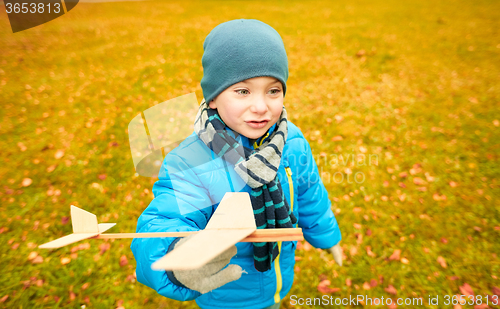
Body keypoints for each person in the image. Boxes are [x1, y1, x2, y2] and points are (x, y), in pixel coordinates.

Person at [131, 19, 343, 309]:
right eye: (243, 91)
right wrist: (175, 261)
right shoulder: (190, 161)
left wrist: (327, 236)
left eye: (273, 91)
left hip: (278, 282)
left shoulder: (291, 141)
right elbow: (164, 222)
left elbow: (309, 193)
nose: (261, 106)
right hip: (227, 295)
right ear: (214, 98)